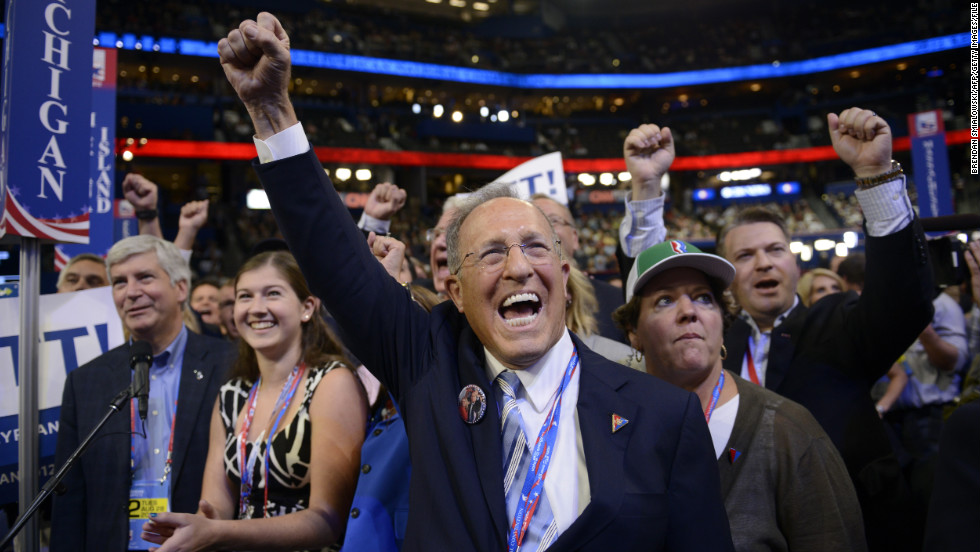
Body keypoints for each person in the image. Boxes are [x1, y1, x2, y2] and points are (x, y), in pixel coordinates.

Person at [218, 12, 734, 551]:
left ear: (562, 274)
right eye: (490, 253)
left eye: (535, 247)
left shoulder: (664, 414)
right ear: (456, 292)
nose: (517, 267)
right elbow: (339, 265)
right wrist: (271, 110)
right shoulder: (428, 364)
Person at [619, 112, 935, 550]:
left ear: (796, 263)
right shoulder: (709, 340)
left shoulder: (837, 324)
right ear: (727, 280)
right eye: (746, 255)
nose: (764, 263)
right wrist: (647, 188)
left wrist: (875, 175)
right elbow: (652, 291)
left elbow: (904, 302)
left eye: (775, 250)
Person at [613, 240, 866, 551]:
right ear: (633, 332)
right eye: (665, 300)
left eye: (704, 298)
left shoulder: (787, 430)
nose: (689, 311)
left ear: (723, 320)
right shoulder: (612, 430)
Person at [141, 251, 368, 551]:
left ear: (306, 307)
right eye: (245, 296)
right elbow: (215, 509)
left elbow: (327, 521)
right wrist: (195, 528)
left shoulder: (332, 382)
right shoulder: (232, 394)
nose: (256, 308)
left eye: (272, 294)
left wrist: (218, 533)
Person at [51, 235, 231, 551]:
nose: (131, 292)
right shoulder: (85, 382)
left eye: (145, 277)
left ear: (180, 289)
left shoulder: (229, 365)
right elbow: (71, 499)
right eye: (120, 282)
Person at [531, 194, 626, 342]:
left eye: (553, 220)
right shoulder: (512, 308)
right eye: (535, 221)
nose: (544, 228)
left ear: (575, 238)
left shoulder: (617, 303)